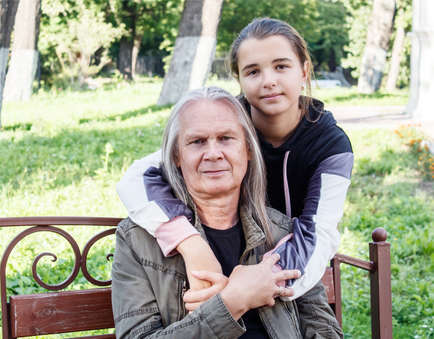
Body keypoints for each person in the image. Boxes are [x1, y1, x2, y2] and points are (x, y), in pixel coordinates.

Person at [116, 18, 353, 299]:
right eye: (253, 71)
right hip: (215, 255)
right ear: (239, 79)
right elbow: (136, 178)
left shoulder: (331, 147)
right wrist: (190, 242)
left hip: (284, 275)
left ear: (303, 71)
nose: (269, 81)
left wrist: (243, 290)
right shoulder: (225, 124)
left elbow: (319, 236)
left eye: (281, 66)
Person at [111, 87, 342, 338]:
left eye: (226, 138)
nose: (213, 154)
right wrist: (233, 301)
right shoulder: (137, 240)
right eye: (197, 141)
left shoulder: (281, 233)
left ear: (249, 150)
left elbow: (324, 330)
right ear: (177, 155)